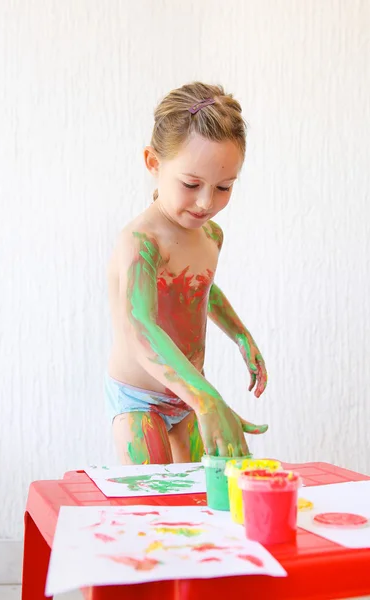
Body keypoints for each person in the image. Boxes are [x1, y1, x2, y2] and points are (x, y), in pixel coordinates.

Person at [106, 82, 268, 465]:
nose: (206, 202)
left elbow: (200, 288)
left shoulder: (210, 235)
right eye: (191, 184)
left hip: (188, 395)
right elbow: (140, 327)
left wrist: (241, 334)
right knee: (155, 498)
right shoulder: (141, 242)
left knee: (199, 500)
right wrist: (208, 399)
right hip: (141, 399)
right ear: (153, 163)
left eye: (224, 187)